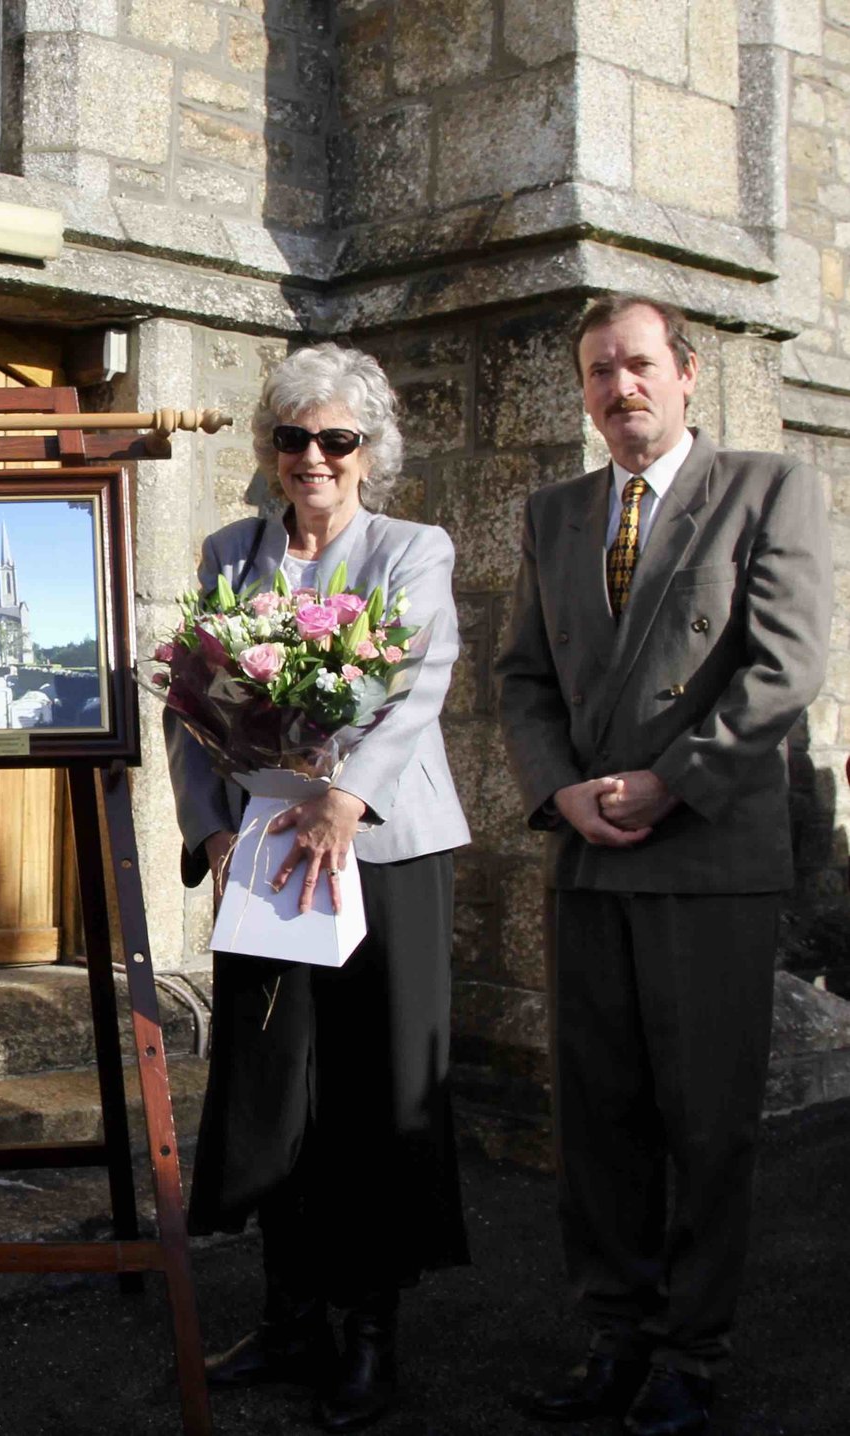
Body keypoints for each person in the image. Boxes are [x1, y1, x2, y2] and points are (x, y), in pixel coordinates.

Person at [497, 295, 830, 1436]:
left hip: (707, 855)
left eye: (638, 365)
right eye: (598, 371)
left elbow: (782, 668)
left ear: (686, 375)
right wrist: (560, 789)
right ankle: (618, 1333)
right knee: (599, 1117)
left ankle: (696, 1347)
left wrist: (672, 778)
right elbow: (524, 680)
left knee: (706, 1118)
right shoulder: (554, 513)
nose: (618, 388)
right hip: (590, 856)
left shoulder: (767, 489)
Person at [166, 343, 472, 1433]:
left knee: (373, 1088)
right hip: (263, 857)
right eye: (294, 438)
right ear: (271, 448)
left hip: (381, 852)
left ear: (369, 451)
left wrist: (350, 798)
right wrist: (209, 831)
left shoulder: (408, 548)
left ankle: (369, 1329)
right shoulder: (228, 551)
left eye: (336, 439)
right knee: (273, 1083)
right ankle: (290, 1311)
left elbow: (418, 682)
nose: (313, 458)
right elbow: (190, 703)